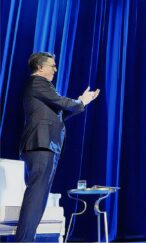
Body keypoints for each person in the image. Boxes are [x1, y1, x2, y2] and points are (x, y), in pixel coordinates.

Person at [15, 52, 100, 242]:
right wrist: (80, 102)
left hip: (45, 146)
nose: (55, 69)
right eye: (52, 65)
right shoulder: (38, 83)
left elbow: (59, 113)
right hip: (40, 145)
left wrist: (79, 102)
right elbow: (62, 103)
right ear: (40, 67)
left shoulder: (42, 87)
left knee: (39, 200)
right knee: (35, 200)